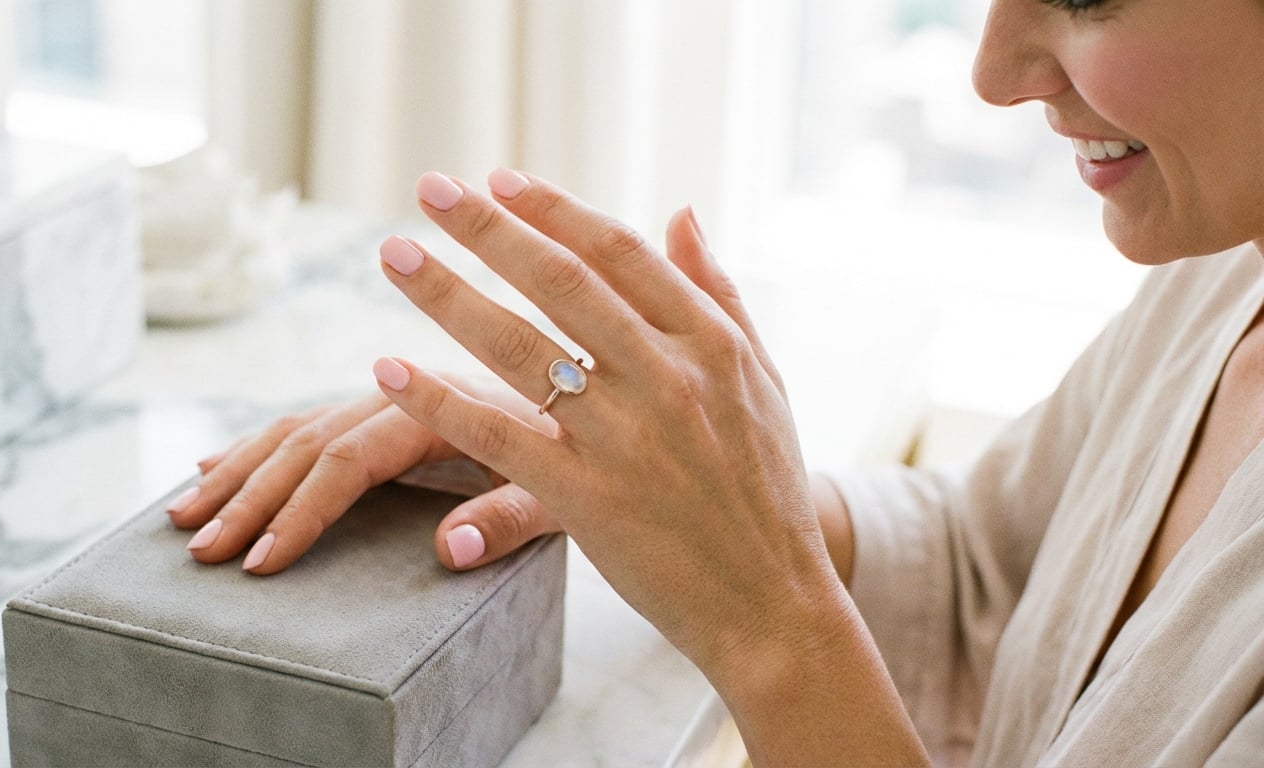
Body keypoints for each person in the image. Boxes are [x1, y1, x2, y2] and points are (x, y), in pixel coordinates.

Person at [164, 0, 1264, 764]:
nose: (992, 74)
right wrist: (673, 484)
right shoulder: (1222, 273)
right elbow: (987, 566)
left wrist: (768, 618)